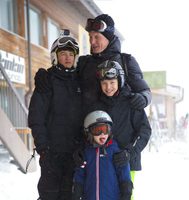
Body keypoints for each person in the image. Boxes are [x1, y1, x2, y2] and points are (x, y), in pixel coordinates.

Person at [84, 60, 152, 199]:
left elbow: (144, 131)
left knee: (126, 195)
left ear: (119, 81)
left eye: (112, 83)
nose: (108, 87)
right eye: (104, 83)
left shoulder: (132, 102)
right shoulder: (96, 105)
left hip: (127, 162)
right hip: (104, 163)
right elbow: (88, 131)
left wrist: (129, 152)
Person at [28, 30, 83, 200]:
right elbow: (36, 117)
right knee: (49, 194)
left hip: (74, 154)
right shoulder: (47, 81)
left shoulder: (81, 80)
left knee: (70, 194)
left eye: (71, 54)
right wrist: (44, 148)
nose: (67, 57)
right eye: (63, 54)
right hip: (52, 153)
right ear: (55, 56)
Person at [77, 14, 151, 111]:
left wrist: (143, 98)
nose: (92, 42)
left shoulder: (126, 62)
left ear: (108, 37)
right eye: (90, 37)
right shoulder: (83, 63)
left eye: (96, 37)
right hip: (89, 123)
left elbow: (144, 91)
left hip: (120, 123)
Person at [72, 110, 133, 200]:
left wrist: (126, 190)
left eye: (105, 129)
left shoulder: (116, 151)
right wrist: (77, 190)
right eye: (97, 130)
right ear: (88, 132)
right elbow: (80, 173)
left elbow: (123, 172)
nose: (102, 134)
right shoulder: (86, 152)